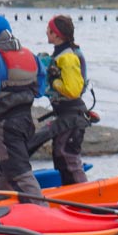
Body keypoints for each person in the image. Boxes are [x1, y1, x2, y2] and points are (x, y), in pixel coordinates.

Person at [0, 14, 46, 202]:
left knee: (17, 169)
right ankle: (4, 202)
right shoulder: (30, 55)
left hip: (4, 124)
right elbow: (40, 90)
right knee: (3, 166)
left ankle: (39, 210)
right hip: (26, 120)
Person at [29, 15, 90, 185]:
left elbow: (72, 90)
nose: (46, 32)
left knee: (67, 155)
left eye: (49, 30)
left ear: (57, 34)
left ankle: (84, 194)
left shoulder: (68, 57)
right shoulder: (60, 54)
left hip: (72, 115)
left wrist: (54, 81)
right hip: (65, 114)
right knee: (60, 155)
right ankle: (70, 192)